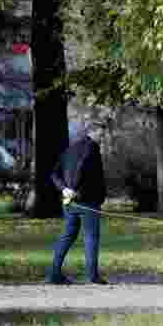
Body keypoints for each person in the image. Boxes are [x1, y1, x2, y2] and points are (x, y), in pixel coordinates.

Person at [46, 119, 108, 285]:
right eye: (101, 133)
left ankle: (54, 274)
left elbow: (54, 174)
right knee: (91, 237)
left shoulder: (70, 149)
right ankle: (92, 275)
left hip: (69, 202)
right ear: (92, 132)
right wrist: (72, 188)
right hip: (87, 201)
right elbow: (82, 166)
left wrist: (64, 189)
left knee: (67, 236)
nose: (103, 137)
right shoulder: (92, 148)